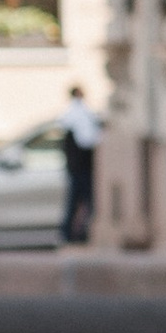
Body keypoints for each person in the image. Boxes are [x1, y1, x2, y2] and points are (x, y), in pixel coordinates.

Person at [58, 84, 104, 244]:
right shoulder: (77, 113)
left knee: (79, 201)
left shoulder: (76, 113)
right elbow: (87, 140)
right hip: (80, 167)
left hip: (79, 167)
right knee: (83, 201)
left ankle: (74, 232)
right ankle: (75, 233)